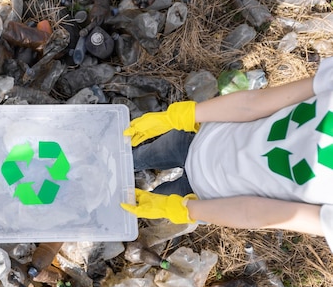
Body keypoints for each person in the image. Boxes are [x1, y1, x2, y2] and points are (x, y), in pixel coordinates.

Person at [121, 57, 333, 252]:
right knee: (134, 160)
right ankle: (131, 162)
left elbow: (258, 214)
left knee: (124, 200)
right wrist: (179, 117)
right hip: (200, 144)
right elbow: (254, 104)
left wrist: (184, 208)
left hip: (203, 194)